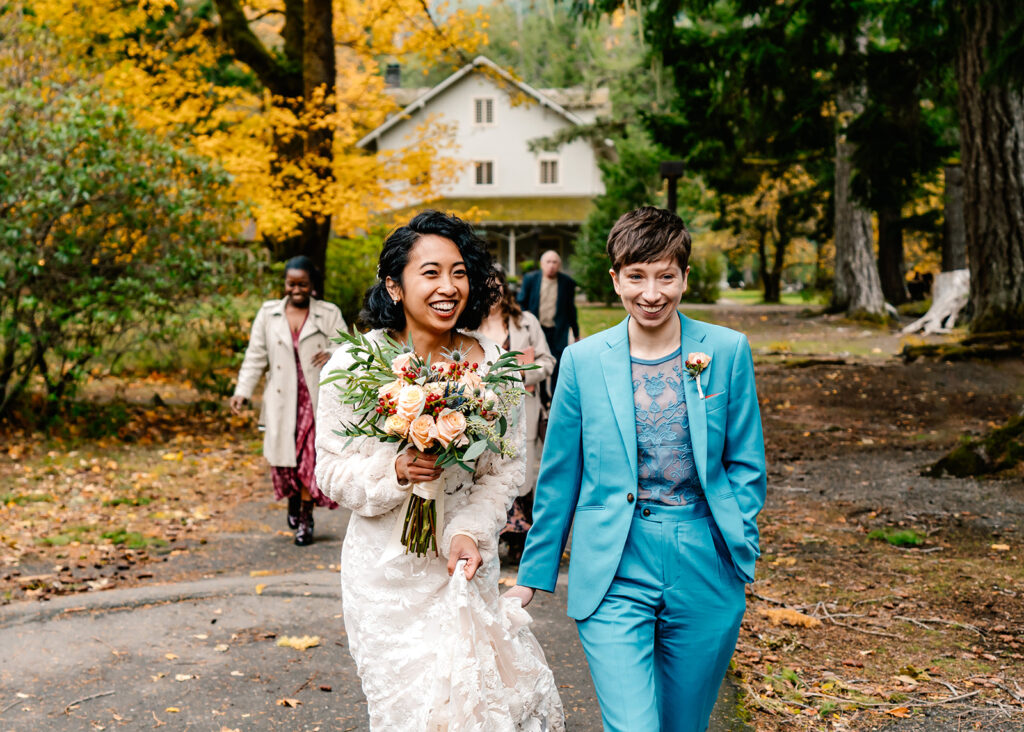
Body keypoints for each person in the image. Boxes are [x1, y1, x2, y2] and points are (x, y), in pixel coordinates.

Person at [507, 207, 767, 732]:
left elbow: (746, 462)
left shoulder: (725, 351)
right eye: (637, 277)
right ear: (615, 279)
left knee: (682, 725)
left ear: (685, 277)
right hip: (614, 566)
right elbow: (560, 477)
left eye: (666, 276)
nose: (652, 293)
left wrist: (739, 541)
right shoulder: (583, 361)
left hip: (706, 559)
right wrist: (532, 576)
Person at [315, 211, 564, 731]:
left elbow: (504, 471)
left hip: (462, 568)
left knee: (471, 710)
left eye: (458, 272)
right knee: (408, 715)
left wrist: (468, 532)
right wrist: (398, 469)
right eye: (430, 272)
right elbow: (331, 471)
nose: (447, 287)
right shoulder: (352, 364)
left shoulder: (495, 369)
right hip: (384, 577)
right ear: (394, 284)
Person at [230, 256, 345, 546]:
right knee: (286, 461)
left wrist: (333, 353)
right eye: (291, 283)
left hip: (315, 398)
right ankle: (294, 500)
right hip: (281, 401)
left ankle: (306, 517)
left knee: (310, 457)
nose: (296, 289)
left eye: (302, 284)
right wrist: (242, 392)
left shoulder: (328, 313)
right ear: (284, 283)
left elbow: (348, 346)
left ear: (312, 286)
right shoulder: (268, 315)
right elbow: (255, 356)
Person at [478, 264, 557, 563]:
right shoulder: (468, 325)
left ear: (505, 288)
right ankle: (490, 534)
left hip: (523, 407)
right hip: (484, 414)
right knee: (487, 472)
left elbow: (548, 360)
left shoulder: (527, 322)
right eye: (485, 285)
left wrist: (523, 375)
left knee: (521, 473)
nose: (492, 291)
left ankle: (520, 537)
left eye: (496, 284)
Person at [516, 250, 579, 404]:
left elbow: (571, 309)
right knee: (539, 361)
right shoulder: (531, 279)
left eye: (554, 262)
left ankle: (556, 397)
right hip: (538, 330)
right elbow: (521, 301)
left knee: (557, 363)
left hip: (558, 330)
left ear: (559, 265)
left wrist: (576, 333)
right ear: (542, 264)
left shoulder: (567, 283)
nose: (551, 266)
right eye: (548, 262)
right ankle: (543, 397)